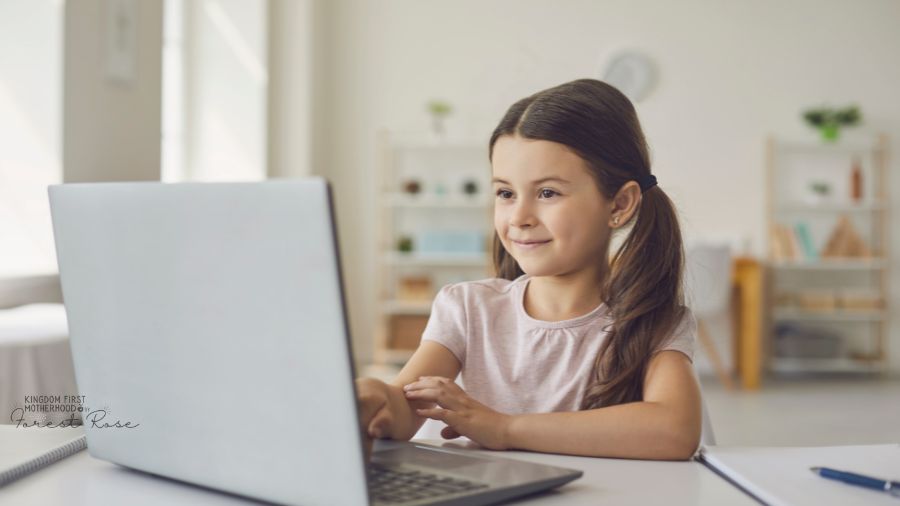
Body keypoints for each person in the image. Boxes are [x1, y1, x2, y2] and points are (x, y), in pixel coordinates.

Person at [357, 78, 701, 460]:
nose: (519, 217)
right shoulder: (468, 308)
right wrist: (375, 398)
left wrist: (503, 428)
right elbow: (405, 407)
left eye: (548, 193)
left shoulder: (652, 320)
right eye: (505, 193)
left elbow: (674, 431)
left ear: (619, 204)